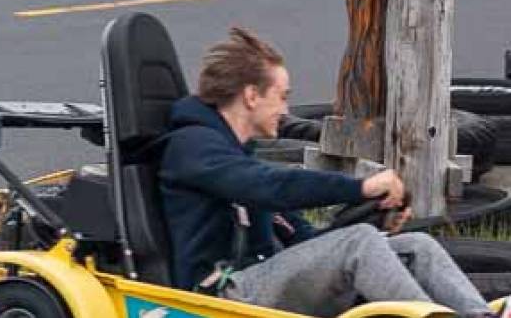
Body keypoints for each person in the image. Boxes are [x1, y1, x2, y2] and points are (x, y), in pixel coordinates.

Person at [158, 27, 494, 317]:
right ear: (251, 96)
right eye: (282, 97)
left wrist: (370, 218)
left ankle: (479, 314)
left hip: (262, 277)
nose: (287, 111)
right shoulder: (194, 147)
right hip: (220, 297)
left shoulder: (235, 156)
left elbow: (305, 241)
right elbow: (271, 186)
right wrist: (360, 188)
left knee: (416, 245)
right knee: (358, 244)